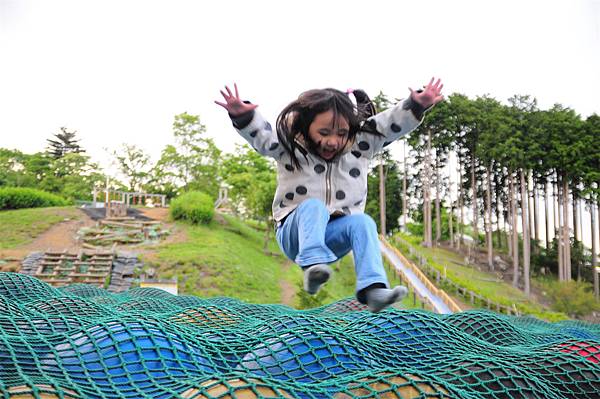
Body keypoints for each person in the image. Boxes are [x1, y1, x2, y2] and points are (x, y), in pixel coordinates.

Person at [215, 79, 443, 312]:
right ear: (306, 127)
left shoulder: (360, 147)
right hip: (294, 235)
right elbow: (262, 138)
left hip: (331, 240)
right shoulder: (291, 148)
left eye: (341, 133)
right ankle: (312, 264)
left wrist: (416, 105)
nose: (333, 141)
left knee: (363, 222)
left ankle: (373, 289)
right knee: (312, 207)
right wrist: (243, 117)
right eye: (324, 132)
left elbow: (388, 124)